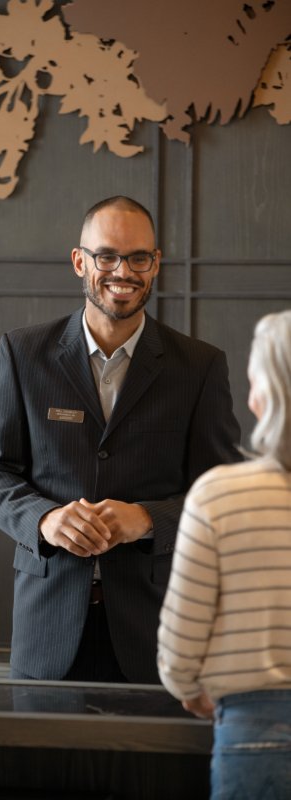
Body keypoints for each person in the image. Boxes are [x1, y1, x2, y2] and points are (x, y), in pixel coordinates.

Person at [0, 195, 241, 683]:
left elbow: (221, 497)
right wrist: (45, 520)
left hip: (157, 632)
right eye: (107, 256)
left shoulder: (199, 367)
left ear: (155, 264)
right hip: (47, 627)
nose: (123, 271)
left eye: (139, 257)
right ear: (80, 262)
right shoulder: (23, 353)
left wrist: (146, 520)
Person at [158, 309, 291, 800]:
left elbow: (183, 633)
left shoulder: (218, 496)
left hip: (255, 728)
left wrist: (188, 689)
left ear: (264, 395)